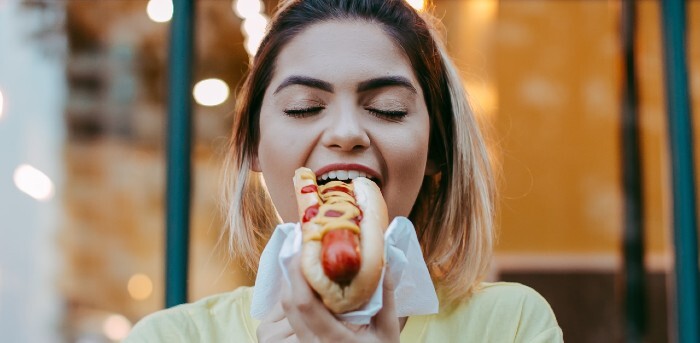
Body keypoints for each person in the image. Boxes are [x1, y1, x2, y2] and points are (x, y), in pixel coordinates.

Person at [126, 0, 563, 341]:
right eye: (305, 108)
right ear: (252, 148)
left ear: (437, 149)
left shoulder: (511, 325)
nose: (346, 132)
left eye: (387, 110)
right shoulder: (169, 337)